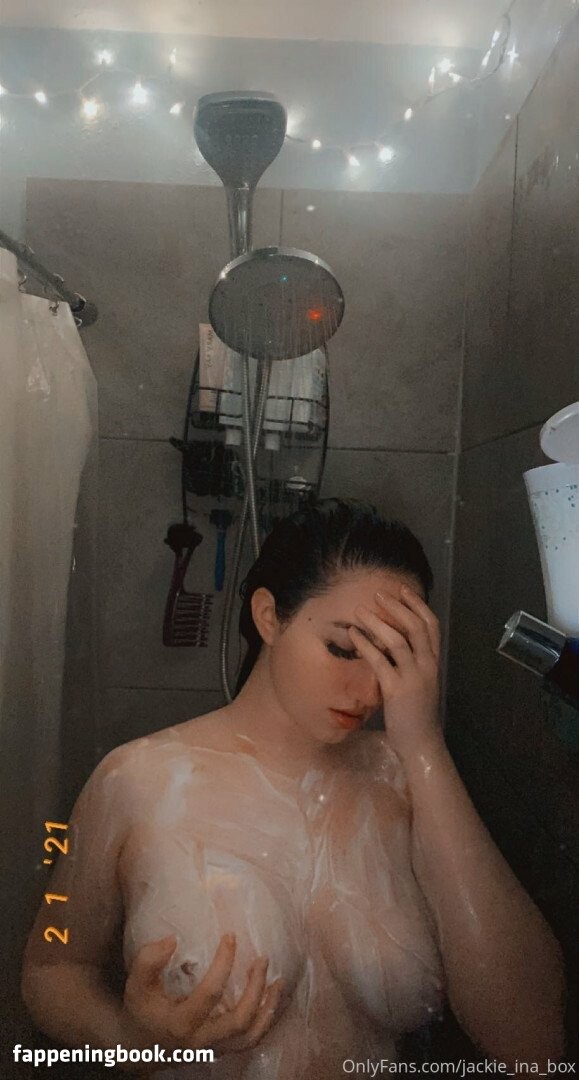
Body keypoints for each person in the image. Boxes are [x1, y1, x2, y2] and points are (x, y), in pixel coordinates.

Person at [21, 499, 566, 1079]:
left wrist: (424, 745)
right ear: (269, 617)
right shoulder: (134, 779)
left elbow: (534, 1048)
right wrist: (127, 1041)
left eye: (390, 659)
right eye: (343, 649)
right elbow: (51, 969)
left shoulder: (408, 777)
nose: (368, 692)